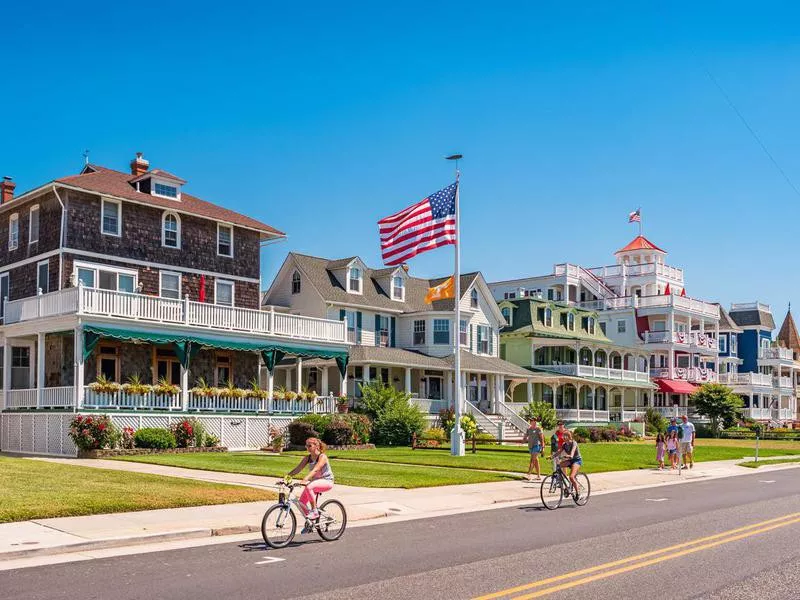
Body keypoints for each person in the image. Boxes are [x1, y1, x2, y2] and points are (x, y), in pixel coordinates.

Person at [287, 437, 334, 520]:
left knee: (309, 486)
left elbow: (316, 469)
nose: (307, 448)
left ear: (316, 446)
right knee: (301, 504)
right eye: (306, 446)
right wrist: (287, 477)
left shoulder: (322, 457)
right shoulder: (307, 458)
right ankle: (310, 523)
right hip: (315, 482)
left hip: (327, 481)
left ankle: (314, 511)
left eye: (309, 445)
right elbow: (298, 468)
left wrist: (305, 479)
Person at [559, 430, 583, 498]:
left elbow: (572, 451)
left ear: (569, 437)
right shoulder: (564, 444)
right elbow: (559, 451)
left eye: (566, 436)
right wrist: (552, 456)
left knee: (571, 477)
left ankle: (578, 492)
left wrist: (571, 455)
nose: (564, 437)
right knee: (559, 466)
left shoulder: (574, 443)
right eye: (564, 436)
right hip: (570, 460)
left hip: (577, 460)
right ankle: (566, 484)